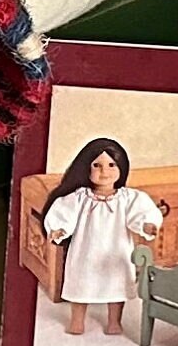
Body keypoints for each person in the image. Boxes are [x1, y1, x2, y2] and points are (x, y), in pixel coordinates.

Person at [40, 135, 164, 335]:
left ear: (121, 167)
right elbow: (65, 213)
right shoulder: (80, 197)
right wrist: (59, 228)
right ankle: (77, 321)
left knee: (117, 286)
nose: (104, 171)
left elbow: (140, 214)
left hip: (116, 251)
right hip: (85, 251)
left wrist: (147, 225)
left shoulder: (128, 198)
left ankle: (114, 321)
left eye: (111, 165)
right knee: (80, 285)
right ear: (86, 168)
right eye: (97, 165)